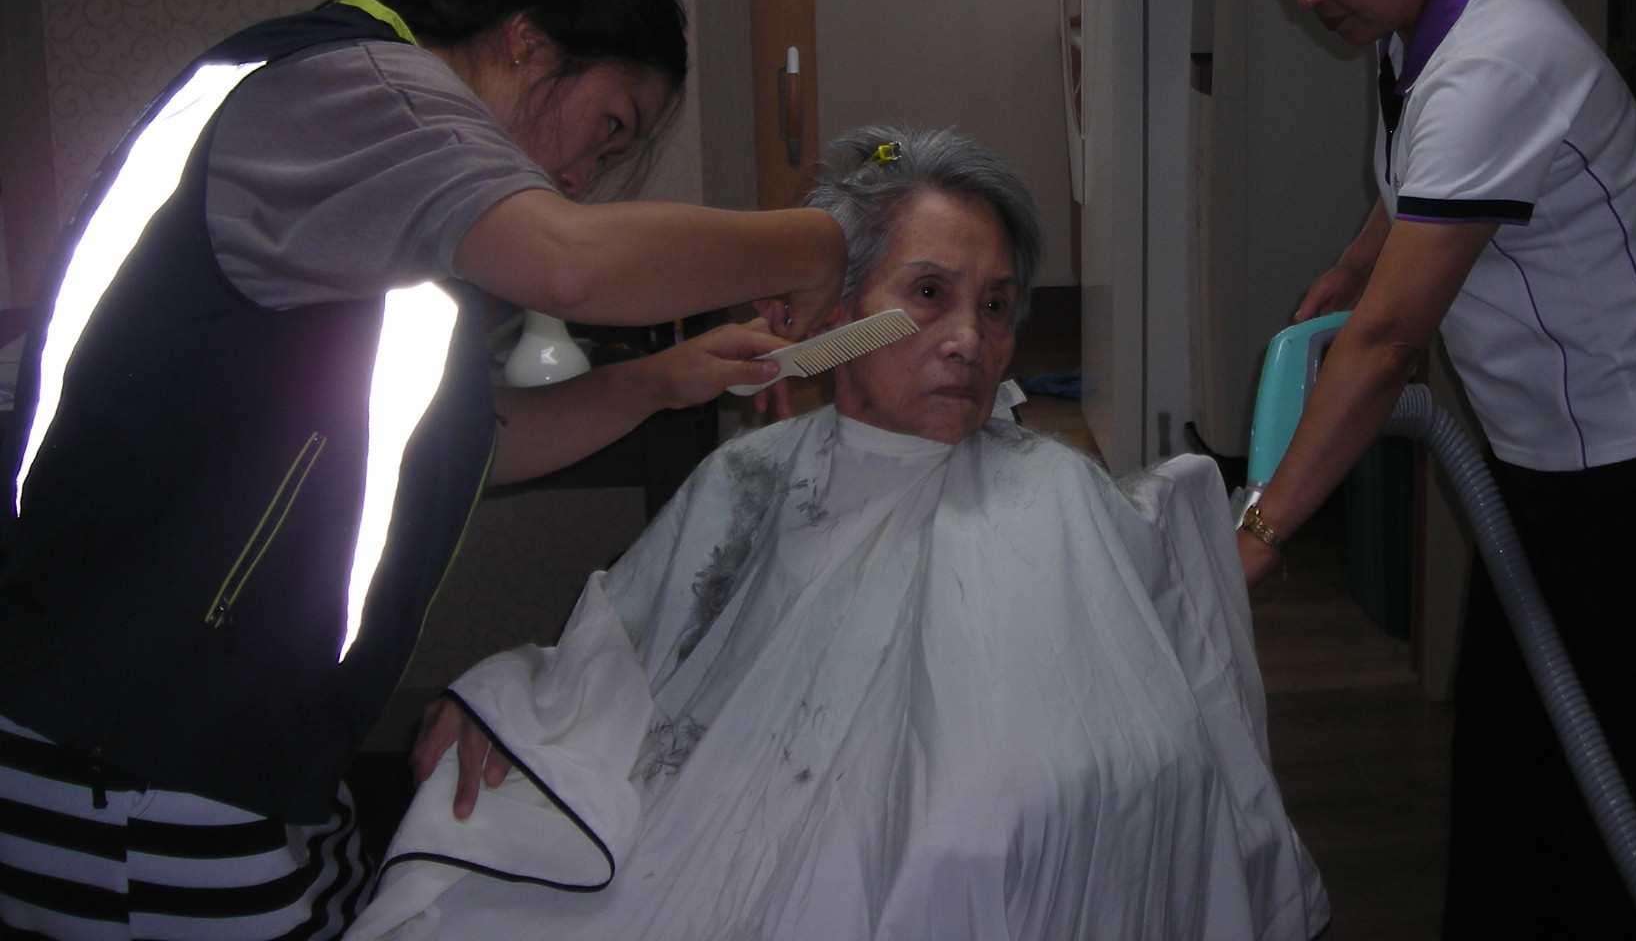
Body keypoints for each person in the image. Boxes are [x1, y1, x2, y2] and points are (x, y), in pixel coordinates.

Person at [0, 0, 845, 941]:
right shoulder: (356, 90)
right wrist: (818, 241)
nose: (583, 177)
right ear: (527, 41)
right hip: (129, 735)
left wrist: (659, 381)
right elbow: (569, 263)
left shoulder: (389, 194)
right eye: (606, 128)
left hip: (253, 735)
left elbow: (452, 445)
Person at [346, 127, 1329, 941]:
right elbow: (620, 653)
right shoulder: (748, 478)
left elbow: (1167, 713)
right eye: (929, 294)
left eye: (994, 307)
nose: (969, 339)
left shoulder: (1060, 492)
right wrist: (502, 707)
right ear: (838, 311)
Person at [1223, 0, 1636, 939]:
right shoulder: (1418, 17)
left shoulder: (1495, 61)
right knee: (1511, 768)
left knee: (1608, 799)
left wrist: (1260, 531)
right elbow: (1422, 184)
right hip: (1549, 460)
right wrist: (1354, 266)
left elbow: (1386, 348)